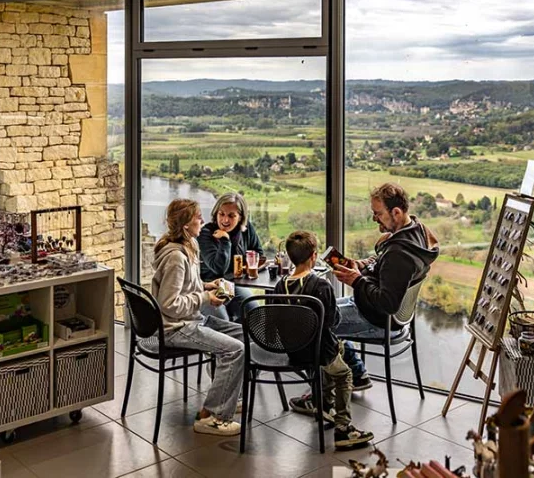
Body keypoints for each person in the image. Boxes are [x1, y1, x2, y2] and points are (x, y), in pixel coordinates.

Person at [152, 198, 244, 436]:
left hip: (190, 319)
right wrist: (205, 298)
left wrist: (207, 285)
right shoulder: (176, 257)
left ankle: (228, 396)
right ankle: (211, 416)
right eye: (197, 217)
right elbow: (169, 303)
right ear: (185, 224)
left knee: (241, 334)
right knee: (234, 350)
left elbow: (186, 286)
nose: (203, 220)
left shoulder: (188, 245)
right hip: (177, 327)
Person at [275, 230, 374, 449]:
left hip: (295, 351)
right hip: (321, 351)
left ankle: (323, 408)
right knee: (344, 373)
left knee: (327, 368)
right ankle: (343, 429)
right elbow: (333, 322)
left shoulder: (279, 286)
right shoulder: (321, 286)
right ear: (313, 256)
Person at [334, 183, 439, 380]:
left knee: (315, 322)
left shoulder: (399, 254)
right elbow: (382, 263)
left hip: (377, 319)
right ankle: (356, 373)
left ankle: (325, 395)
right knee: (320, 310)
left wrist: (356, 281)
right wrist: (361, 265)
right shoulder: (417, 230)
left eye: (378, 213)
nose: (375, 219)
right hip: (371, 308)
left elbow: (387, 304)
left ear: (396, 212)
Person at [198, 192, 265, 322]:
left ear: (240, 217)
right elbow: (218, 269)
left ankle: (246, 341)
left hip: (233, 286)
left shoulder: (246, 229)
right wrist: (225, 240)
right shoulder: (206, 234)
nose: (225, 220)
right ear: (215, 213)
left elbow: (258, 254)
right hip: (210, 286)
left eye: (231, 215)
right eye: (221, 214)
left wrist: (243, 267)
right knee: (223, 322)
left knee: (256, 315)